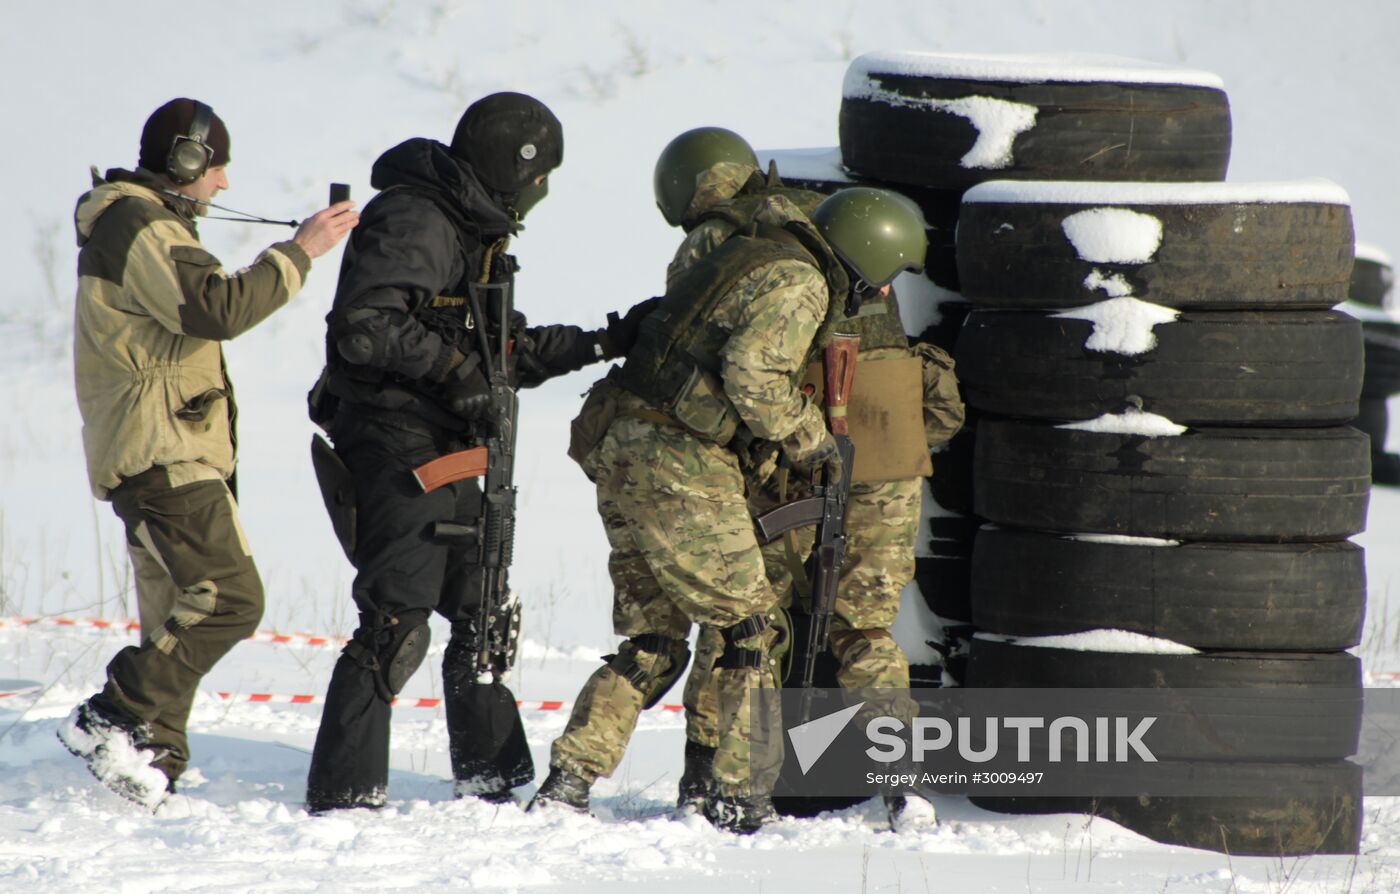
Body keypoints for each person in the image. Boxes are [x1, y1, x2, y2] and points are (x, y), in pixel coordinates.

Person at [531, 131, 930, 833]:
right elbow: (754, 374)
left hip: (619, 440)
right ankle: (739, 799)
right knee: (750, 630)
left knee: (654, 642)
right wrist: (811, 440)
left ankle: (567, 783)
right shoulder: (800, 277)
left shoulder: (740, 248)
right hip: (681, 454)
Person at [303, 92, 655, 813]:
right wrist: (453, 373)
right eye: (539, 175)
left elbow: (502, 352)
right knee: (396, 620)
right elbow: (364, 328)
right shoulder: (417, 218)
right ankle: (344, 793)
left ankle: (492, 778)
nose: (542, 192)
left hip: (455, 445)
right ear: (510, 166)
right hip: (399, 440)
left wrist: (604, 341)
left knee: (481, 611)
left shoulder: (469, 229)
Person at [646, 129, 962, 831]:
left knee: (749, 619)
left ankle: (714, 772)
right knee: (865, 628)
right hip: (889, 436)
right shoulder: (845, 234)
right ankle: (901, 783)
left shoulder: (752, 242)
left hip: (811, 433)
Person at [58, 97, 358, 809]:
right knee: (229, 599)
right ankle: (113, 713)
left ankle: (150, 761)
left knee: (177, 613)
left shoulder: (141, 225)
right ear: (187, 161)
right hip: (163, 451)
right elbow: (216, 309)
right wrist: (300, 252)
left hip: (161, 448)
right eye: (216, 166)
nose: (222, 183)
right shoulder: (139, 224)